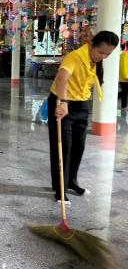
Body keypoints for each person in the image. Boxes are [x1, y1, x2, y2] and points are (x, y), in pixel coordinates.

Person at [48, 31, 118, 205]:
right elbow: (62, 77)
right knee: (63, 148)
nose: (104, 57)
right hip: (62, 103)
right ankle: (60, 189)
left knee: (79, 146)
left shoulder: (94, 60)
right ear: (92, 45)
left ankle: (71, 181)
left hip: (81, 104)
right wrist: (63, 102)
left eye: (108, 54)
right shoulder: (75, 56)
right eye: (101, 52)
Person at [119, 43, 128, 110]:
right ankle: (124, 106)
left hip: (124, 77)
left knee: (124, 91)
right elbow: (124, 66)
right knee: (125, 92)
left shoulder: (124, 54)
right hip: (124, 78)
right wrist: (126, 76)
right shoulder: (125, 55)